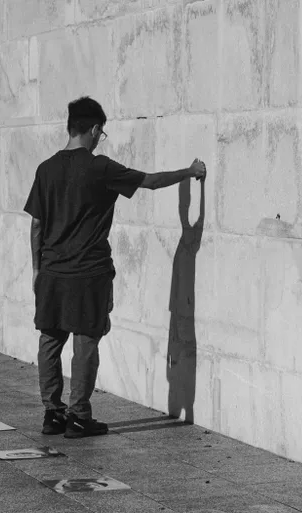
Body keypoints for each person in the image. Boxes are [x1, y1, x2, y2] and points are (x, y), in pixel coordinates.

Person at [24, 96, 206, 439]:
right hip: (89, 273)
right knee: (85, 343)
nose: (99, 138)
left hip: (50, 271)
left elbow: (36, 224)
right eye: (100, 133)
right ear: (94, 130)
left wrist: (36, 269)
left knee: (50, 340)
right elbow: (150, 181)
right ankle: (78, 415)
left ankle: (52, 413)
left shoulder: (45, 169)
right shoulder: (99, 168)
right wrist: (189, 172)